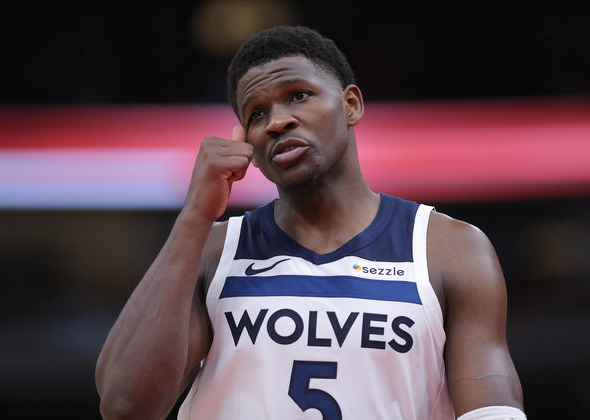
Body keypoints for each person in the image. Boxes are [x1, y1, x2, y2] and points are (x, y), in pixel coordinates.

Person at [95, 26, 525, 420]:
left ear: (351, 105)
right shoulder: (212, 248)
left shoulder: (448, 248)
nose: (277, 121)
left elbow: (493, 412)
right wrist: (194, 217)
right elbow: (126, 406)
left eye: (298, 95)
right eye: (256, 114)